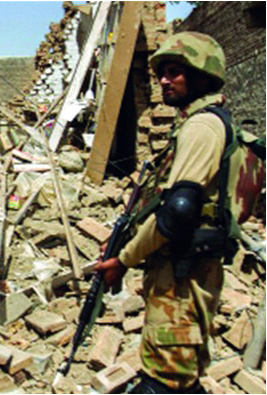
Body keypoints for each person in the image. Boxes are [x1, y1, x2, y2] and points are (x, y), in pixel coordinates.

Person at [95, 32, 232, 394]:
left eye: (175, 72)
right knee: (177, 376)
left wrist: (123, 259)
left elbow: (179, 212)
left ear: (204, 76)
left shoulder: (201, 126)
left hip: (182, 277)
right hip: (179, 272)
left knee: (165, 382)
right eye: (161, 74)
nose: (164, 81)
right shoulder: (195, 124)